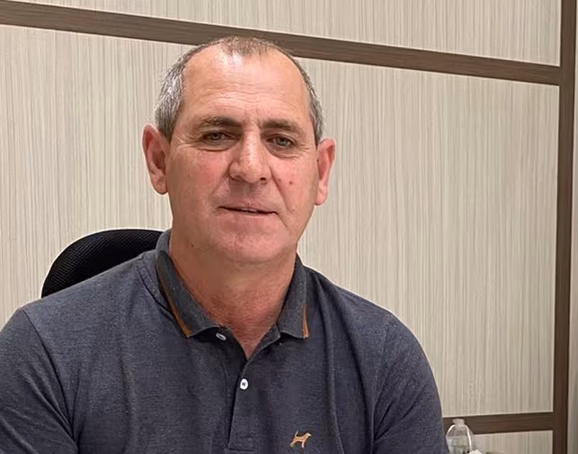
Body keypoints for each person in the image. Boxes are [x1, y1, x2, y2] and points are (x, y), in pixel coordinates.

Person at [0, 36, 447, 453]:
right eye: (217, 135)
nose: (251, 168)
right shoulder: (43, 352)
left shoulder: (385, 358)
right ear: (158, 160)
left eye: (281, 140)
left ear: (321, 172)